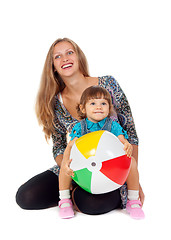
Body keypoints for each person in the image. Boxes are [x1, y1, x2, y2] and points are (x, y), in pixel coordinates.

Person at [16, 37, 145, 216]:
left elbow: (130, 132)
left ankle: (83, 196)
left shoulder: (108, 84)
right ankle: (70, 196)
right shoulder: (56, 103)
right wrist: (73, 171)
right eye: (58, 56)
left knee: (91, 205)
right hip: (76, 167)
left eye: (70, 52)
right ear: (53, 66)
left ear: (79, 58)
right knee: (26, 197)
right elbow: (59, 146)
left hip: (114, 169)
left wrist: (132, 179)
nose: (65, 58)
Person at [58, 86, 144, 219]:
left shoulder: (113, 125)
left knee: (131, 161)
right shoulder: (80, 127)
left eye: (103, 103)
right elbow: (70, 145)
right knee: (65, 163)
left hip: (110, 167)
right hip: (85, 166)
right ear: (82, 108)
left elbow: (122, 141)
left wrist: (127, 145)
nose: (99, 107)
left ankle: (133, 201)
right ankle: (64, 200)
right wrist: (66, 163)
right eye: (93, 103)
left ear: (109, 108)